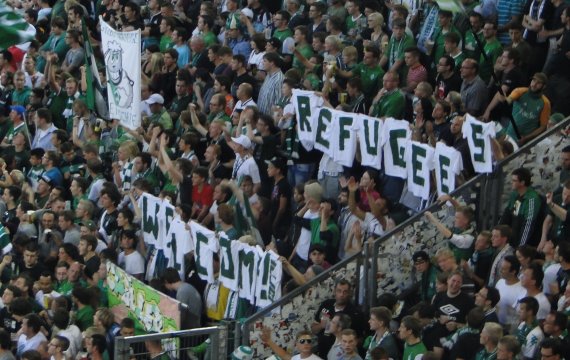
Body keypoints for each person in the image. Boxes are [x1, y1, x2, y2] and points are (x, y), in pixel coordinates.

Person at [500, 168, 544, 247]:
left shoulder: (532, 199)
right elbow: (509, 215)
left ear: (522, 182)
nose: (511, 183)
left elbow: (528, 225)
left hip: (527, 244)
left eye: (514, 181)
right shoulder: (515, 194)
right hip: (513, 238)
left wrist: (521, 246)